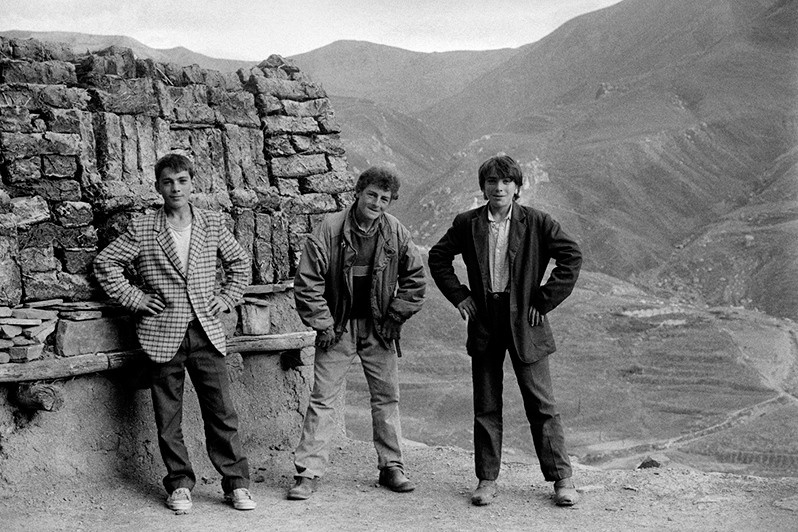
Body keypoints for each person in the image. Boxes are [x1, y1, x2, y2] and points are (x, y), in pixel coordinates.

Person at [94, 153, 256, 512]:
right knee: (168, 415)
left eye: (182, 181)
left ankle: (236, 483)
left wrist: (227, 297)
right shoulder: (143, 228)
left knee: (221, 412)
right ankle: (180, 484)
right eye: (168, 182)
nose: (175, 188)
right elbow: (105, 263)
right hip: (162, 334)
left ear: (192, 183)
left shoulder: (211, 222)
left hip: (206, 331)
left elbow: (240, 262)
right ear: (158, 187)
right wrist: (136, 298)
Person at [428, 154, 582, 507]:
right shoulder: (467, 223)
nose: (498, 188)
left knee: (541, 404)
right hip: (485, 321)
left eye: (506, 182)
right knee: (485, 404)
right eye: (491, 182)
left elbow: (571, 256)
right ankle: (486, 479)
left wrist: (543, 299)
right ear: (483, 187)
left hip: (526, 322)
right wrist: (460, 296)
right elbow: (438, 257)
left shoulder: (538, 222)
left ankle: (562, 479)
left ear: (517, 187)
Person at [288, 166, 426, 500]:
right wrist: (323, 323)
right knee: (323, 398)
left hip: (379, 326)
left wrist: (395, 316)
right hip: (338, 326)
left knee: (386, 396)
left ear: (390, 202)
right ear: (358, 193)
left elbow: (415, 280)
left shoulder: (395, 232)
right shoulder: (330, 229)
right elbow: (307, 281)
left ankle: (392, 466)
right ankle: (308, 473)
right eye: (371, 195)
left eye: (384, 198)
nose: (376, 203)